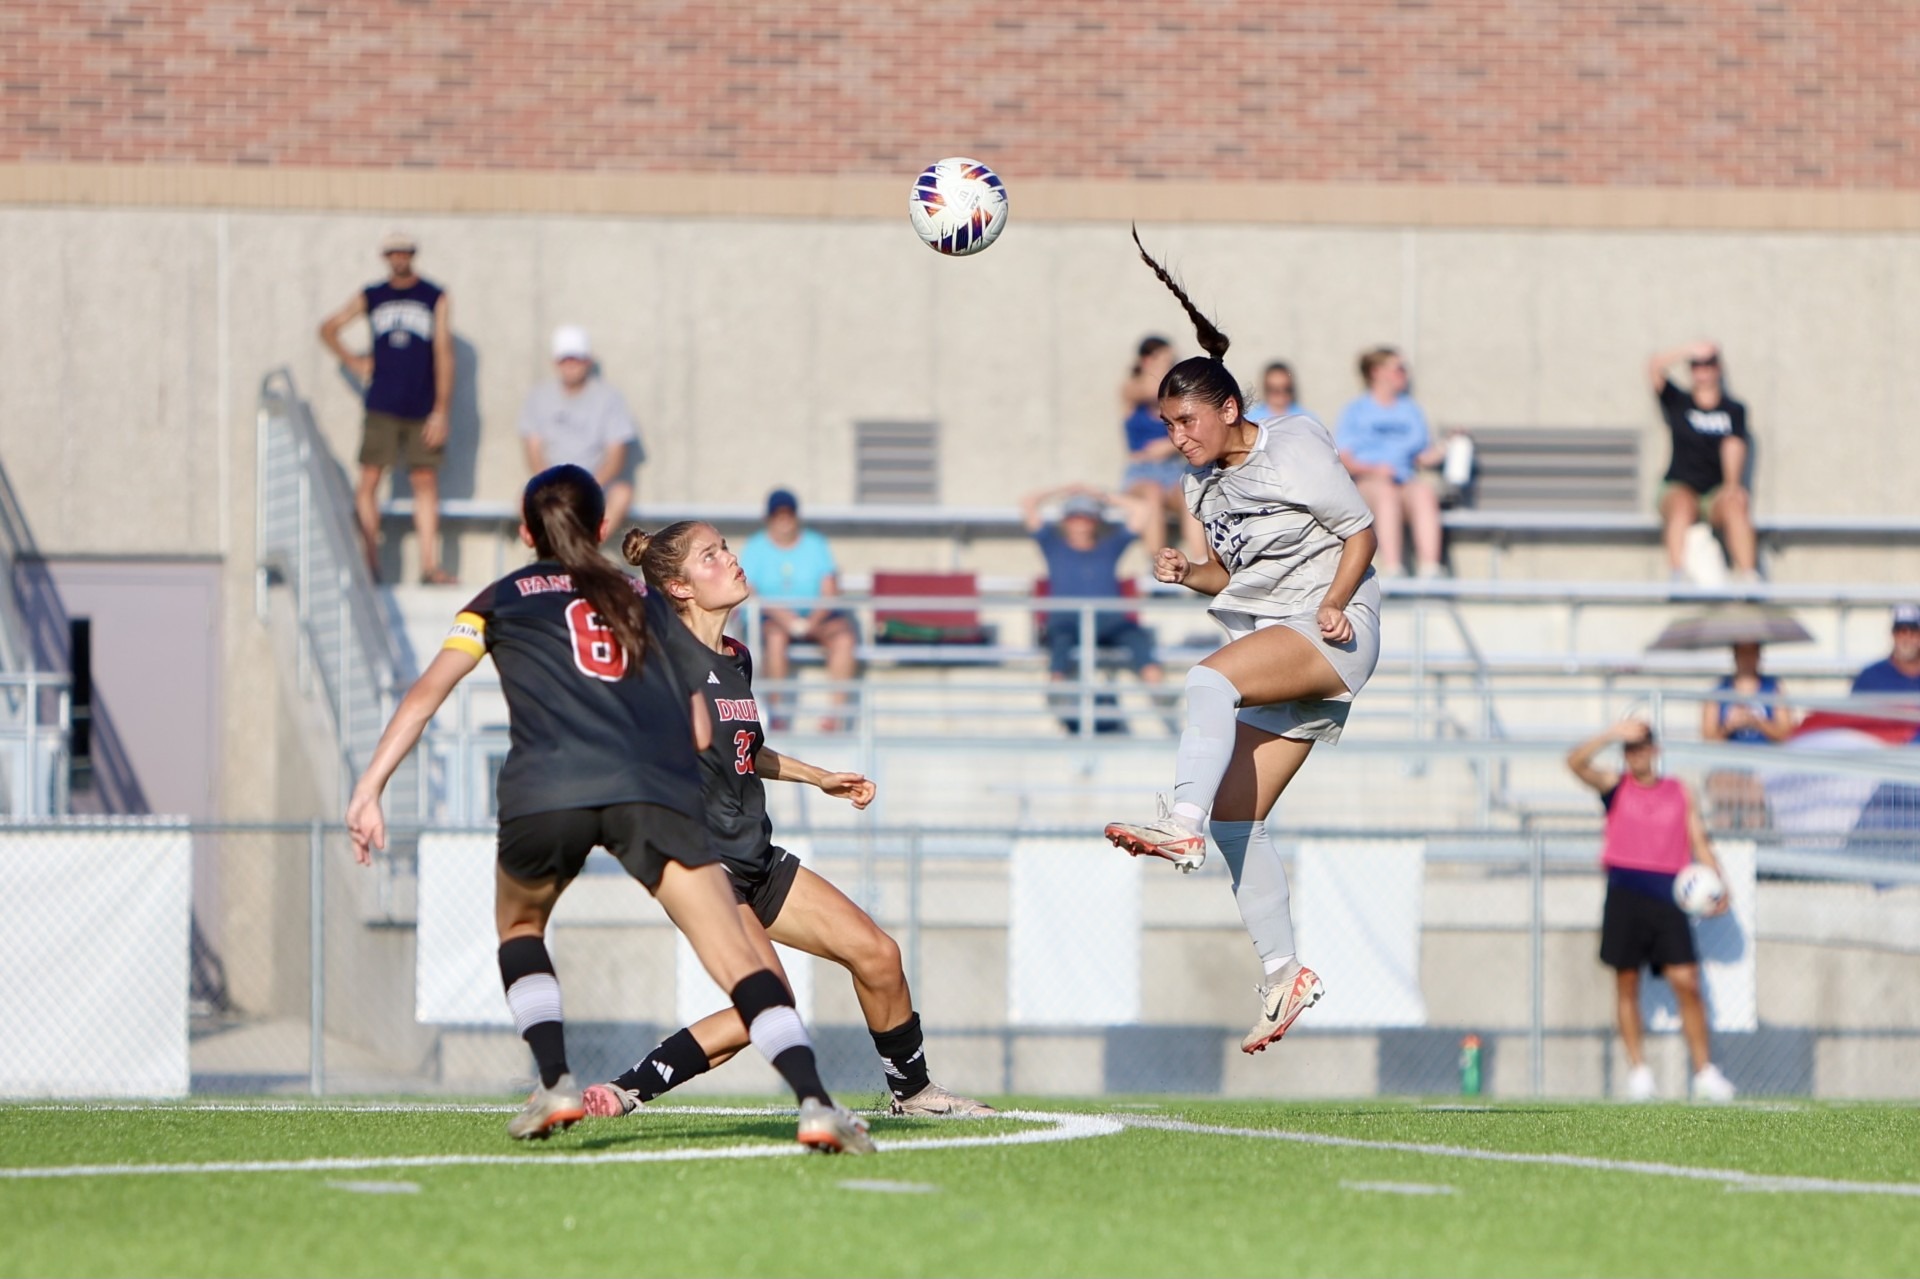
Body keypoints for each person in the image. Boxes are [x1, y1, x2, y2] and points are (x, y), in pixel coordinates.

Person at [344, 466, 871, 1152]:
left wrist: (370, 789)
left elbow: (425, 694)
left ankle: (556, 1077)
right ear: (599, 528)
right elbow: (702, 730)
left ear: (528, 531)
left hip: (545, 788)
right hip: (643, 794)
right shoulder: (638, 600)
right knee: (741, 962)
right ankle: (815, 1102)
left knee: (522, 924)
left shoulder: (495, 600)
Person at [580, 521, 993, 1119]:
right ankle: (625, 1090)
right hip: (702, 865)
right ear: (679, 586)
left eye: (725, 546)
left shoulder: (737, 658)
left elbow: (744, 751)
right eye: (711, 555)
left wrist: (817, 776)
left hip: (755, 856)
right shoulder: (663, 660)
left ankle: (914, 1093)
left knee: (878, 955)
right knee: (767, 1005)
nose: (731, 558)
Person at [1103, 229, 1382, 1055]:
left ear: (1230, 408)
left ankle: (1176, 821)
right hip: (1287, 634)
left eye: (1187, 420)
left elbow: (1360, 533)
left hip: (1334, 633)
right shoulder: (1202, 482)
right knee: (1240, 819)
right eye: (1166, 423)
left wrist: (1334, 603)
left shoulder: (1292, 448)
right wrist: (1189, 571)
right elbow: (1237, 576)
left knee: (1207, 682)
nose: (1177, 436)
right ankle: (1285, 970)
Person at [1567, 720, 1736, 1103]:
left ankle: (1704, 1071)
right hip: (1626, 891)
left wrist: (1719, 883)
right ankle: (1639, 1071)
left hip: (1668, 896)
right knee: (1627, 983)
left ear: (1655, 750)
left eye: (1642, 746)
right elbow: (1575, 763)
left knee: (1687, 981)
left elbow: (1699, 840)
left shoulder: (1678, 792)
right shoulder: (1616, 787)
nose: (1636, 754)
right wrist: (1610, 733)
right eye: (1630, 748)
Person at [318, 230, 457, 584]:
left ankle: (429, 564)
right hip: (381, 403)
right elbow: (329, 328)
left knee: (424, 479)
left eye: (405, 252)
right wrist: (353, 361)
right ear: (385, 257)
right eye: (393, 252)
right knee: (369, 478)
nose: (399, 258)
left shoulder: (433, 296)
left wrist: (441, 409)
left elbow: (443, 352)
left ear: (413, 254)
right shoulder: (373, 296)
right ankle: (370, 562)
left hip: (422, 405)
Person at [1021, 484, 1167, 734]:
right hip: (1066, 623)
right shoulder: (1052, 545)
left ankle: (1162, 699)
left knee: (1138, 639)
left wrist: (1102, 496)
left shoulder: (1109, 546)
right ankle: (1057, 696)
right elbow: (1028, 502)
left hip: (1110, 623)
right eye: (1075, 517)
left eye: (1086, 517)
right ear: (1065, 521)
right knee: (1059, 648)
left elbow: (1142, 510)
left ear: (1095, 521)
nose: (1080, 523)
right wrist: (1064, 489)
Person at [737, 489, 858, 730]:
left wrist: (813, 620)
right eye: (778, 516)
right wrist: (783, 616)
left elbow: (830, 590)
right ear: (769, 518)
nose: (784, 521)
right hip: (772, 619)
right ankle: (777, 713)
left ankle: (836, 716)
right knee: (775, 637)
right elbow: (749, 590)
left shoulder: (815, 544)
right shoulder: (756, 547)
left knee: (844, 637)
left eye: (788, 515)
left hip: (816, 616)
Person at [1648, 340, 1757, 583]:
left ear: (1718, 367)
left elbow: (1734, 446)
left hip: (1715, 492)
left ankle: (1750, 578)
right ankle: (1677, 575)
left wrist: (1732, 485)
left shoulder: (1733, 410)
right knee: (1682, 504)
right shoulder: (1679, 402)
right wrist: (1689, 350)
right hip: (1680, 484)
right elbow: (1654, 368)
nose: (1703, 369)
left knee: (1736, 503)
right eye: (1697, 365)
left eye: (1709, 363)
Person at [1335, 346, 1447, 579]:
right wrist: (1375, 470)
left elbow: (1421, 455)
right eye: (1398, 369)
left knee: (1423, 492)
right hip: (1369, 482)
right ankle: (1394, 567)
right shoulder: (1356, 410)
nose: (1404, 374)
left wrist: (1448, 448)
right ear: (1377, 372)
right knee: (1386, 494)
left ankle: (1430, 568)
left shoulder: (1410, 410)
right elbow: (1345, 459)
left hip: (1402, 479)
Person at [518, 325, 642, 523]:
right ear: (555, 362)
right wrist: (552, 486)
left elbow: (617, 454)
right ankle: (550, 548)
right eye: (565, 359)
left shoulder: (609, 398)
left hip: (598, 485)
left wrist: (588, 487)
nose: (571, 365)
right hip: (552, 485)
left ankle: (588, 549)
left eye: (576, 359)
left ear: (588, 361)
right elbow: (533, 449)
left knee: (622, 493)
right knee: (524, 498)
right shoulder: (539, 397)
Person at [1120, 335, 1205, 561]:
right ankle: (1159, 563)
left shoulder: (1176, 398)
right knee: (1152, 494)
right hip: (1142, 471)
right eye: (1166, 360)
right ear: (1148, 360)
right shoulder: (1132, 389)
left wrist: (1168, 446)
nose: (1171, 365)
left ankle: (1201, 561)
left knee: (1190, 495)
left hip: (1171, 470)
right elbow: (1151, 389)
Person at [1700, 641, 1794, 829]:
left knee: (1754, 796)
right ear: (1735, 656)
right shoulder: (1719, 691)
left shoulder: (1772, 688)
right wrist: (1729, 726)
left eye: (1752, 653)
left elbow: (1786, 732)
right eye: (1743, 653)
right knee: (1725, 797)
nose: (1748, 659)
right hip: (1728, 763)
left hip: (1762, 763)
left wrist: (1757, 722)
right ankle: (1726, 847)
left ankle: (1754, 849)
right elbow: (1708, 736)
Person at [1851, 605, 1920, 695]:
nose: (1906, 639)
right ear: (1893, 635)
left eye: (1913, 633)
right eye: (1901, 632)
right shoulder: (1870, 678)